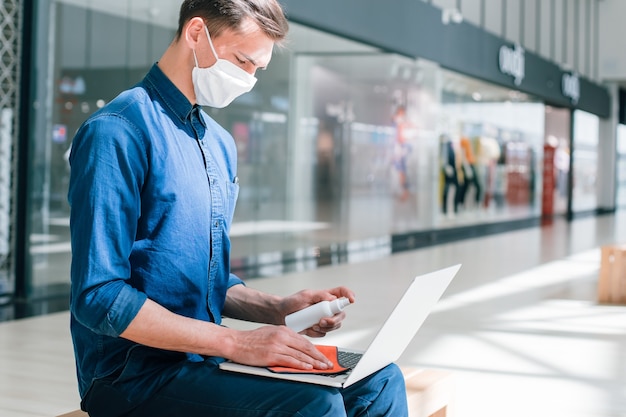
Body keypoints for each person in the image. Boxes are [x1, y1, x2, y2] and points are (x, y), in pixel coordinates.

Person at [67, 1, 409, 416]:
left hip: (204, 358)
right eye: (243, 60)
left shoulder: (219, 144)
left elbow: (203, 277)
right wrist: (235, 342)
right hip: (132, 375)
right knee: (314, 406)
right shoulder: (118, 131)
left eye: (257, 69)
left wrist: (278, 310)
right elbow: (98, 296)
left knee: (379, 378)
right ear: (196, 34)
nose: (248, 78)